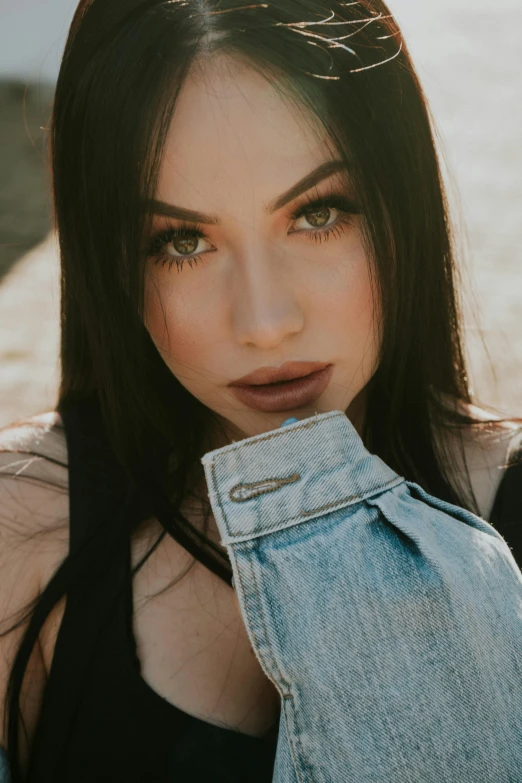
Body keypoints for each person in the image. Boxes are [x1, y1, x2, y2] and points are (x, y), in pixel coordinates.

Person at [0, 0, 521, 781]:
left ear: (400, 200)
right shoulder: (25, 528)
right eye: (181, 242)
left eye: (319, 213)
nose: (267, 322)